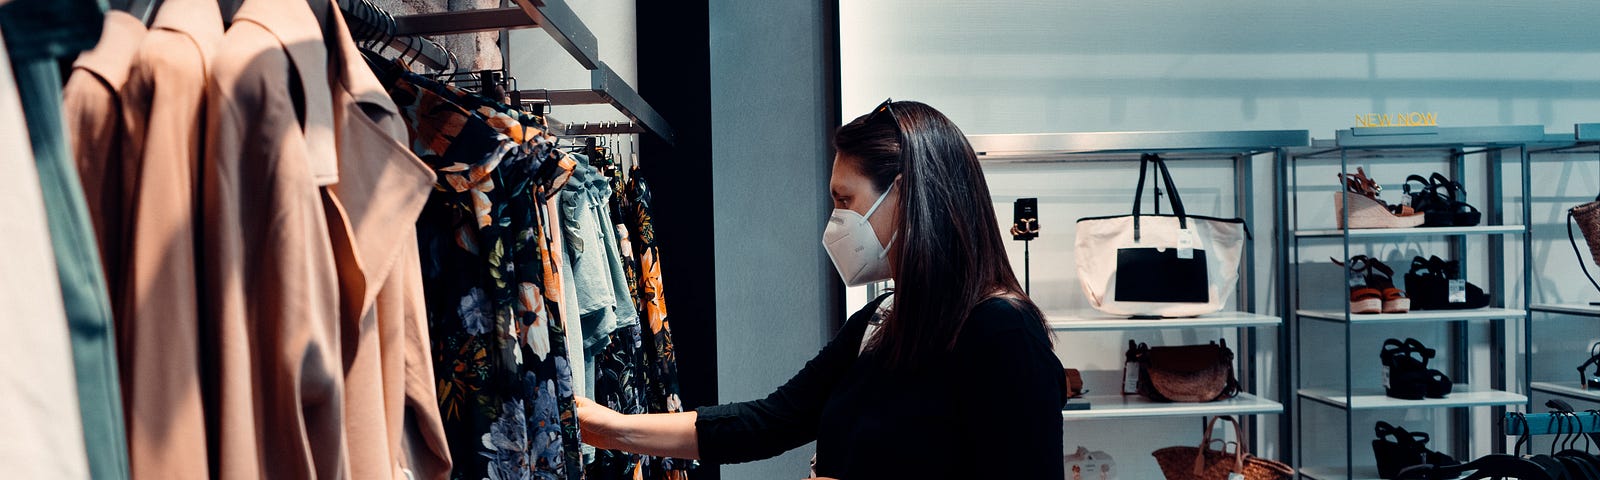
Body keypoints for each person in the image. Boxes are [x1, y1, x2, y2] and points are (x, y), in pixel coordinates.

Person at [575, 100, 1066, 479]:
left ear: (907, 192)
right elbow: (771, 420)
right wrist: (607, 427)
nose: (836, 219)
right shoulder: (883, 320)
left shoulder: (1001, 329)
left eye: (845, 199)